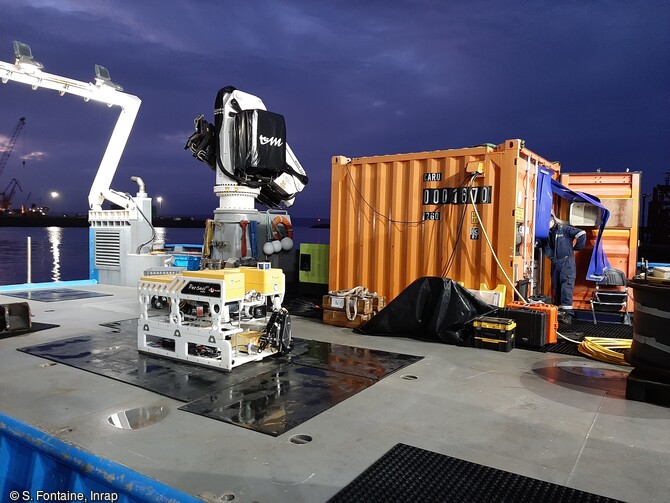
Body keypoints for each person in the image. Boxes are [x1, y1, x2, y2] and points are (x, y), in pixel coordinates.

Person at [543, 213, 586, 323]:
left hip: (567, 262)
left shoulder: (564, 229)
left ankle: (568, 315)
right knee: (556, 286)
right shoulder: (547, 234)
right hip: (556, 262)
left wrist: (577, 247)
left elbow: (581, 233)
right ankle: (557, 313)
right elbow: (545, 246)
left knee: (566, 286)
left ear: (552, 221)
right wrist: (552, 258)